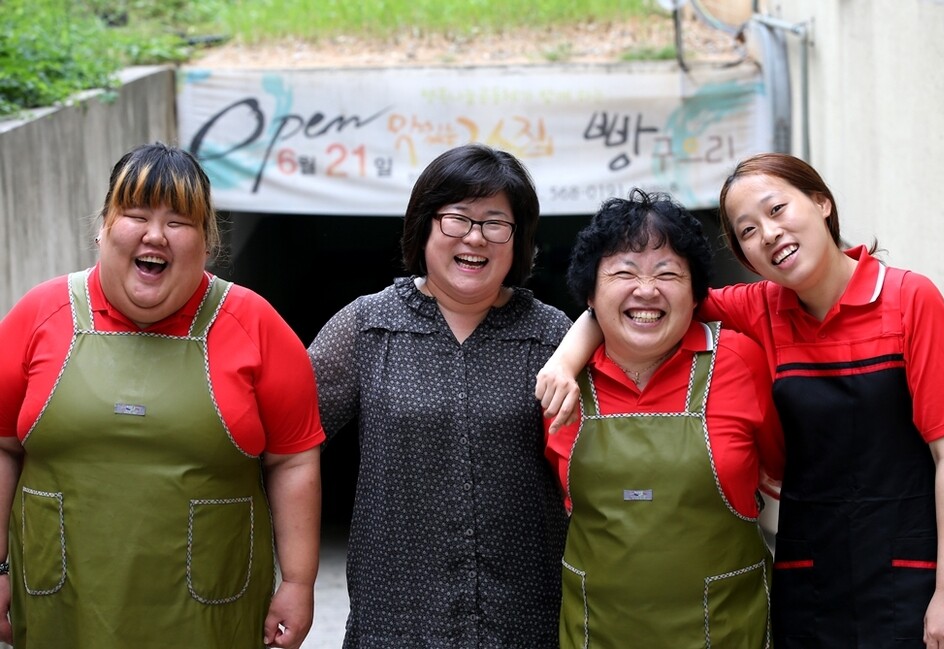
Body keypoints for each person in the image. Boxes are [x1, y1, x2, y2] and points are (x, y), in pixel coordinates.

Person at [536, 153, 944, 647]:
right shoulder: (760, 306)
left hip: (909, 564)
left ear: (822, 203)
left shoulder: (910, 299)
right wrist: (566, 361)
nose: (768, 233)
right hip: (808, 569)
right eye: (746, 231)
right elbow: (641, 303)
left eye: (777, 209)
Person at [0, 143, 325, 649]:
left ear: (207, 241)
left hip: (210, 615)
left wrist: (300, 581)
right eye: (134, 214)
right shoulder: (37, 316)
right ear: (103, 226)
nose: (155, 234)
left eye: (179, 221)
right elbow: (2, 447)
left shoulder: (256, 324)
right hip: (60, 606)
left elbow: (293, 460)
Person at [308, 143, 570, 648]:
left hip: (524, 614)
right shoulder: (368, 325)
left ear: (518, 240)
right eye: (457, 219)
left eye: (496, 222)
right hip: (397, 615)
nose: (475, 237)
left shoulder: (549, 334)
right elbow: (287, 436)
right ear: (424, 226)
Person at [546, 188, 781, 648]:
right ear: (590, 294)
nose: (647, 290)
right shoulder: (562, 384)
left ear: (696, 295)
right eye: (623, 272)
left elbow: (780, 470)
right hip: (596, 634)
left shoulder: (740, 360)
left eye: (668, 273)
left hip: (729, 632)